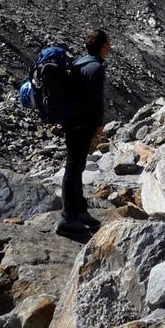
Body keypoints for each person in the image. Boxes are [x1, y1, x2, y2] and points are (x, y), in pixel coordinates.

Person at [56, 29, 111, 240]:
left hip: (72, 120)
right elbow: (95, 100)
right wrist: (98, 125)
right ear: (103, 45)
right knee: (73, 167)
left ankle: (79, 210)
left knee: (77, 166)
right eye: (108, 42)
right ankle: (68, 218)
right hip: (81, 123)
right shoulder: (96, 67)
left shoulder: (81, 62)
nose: (110, 45)